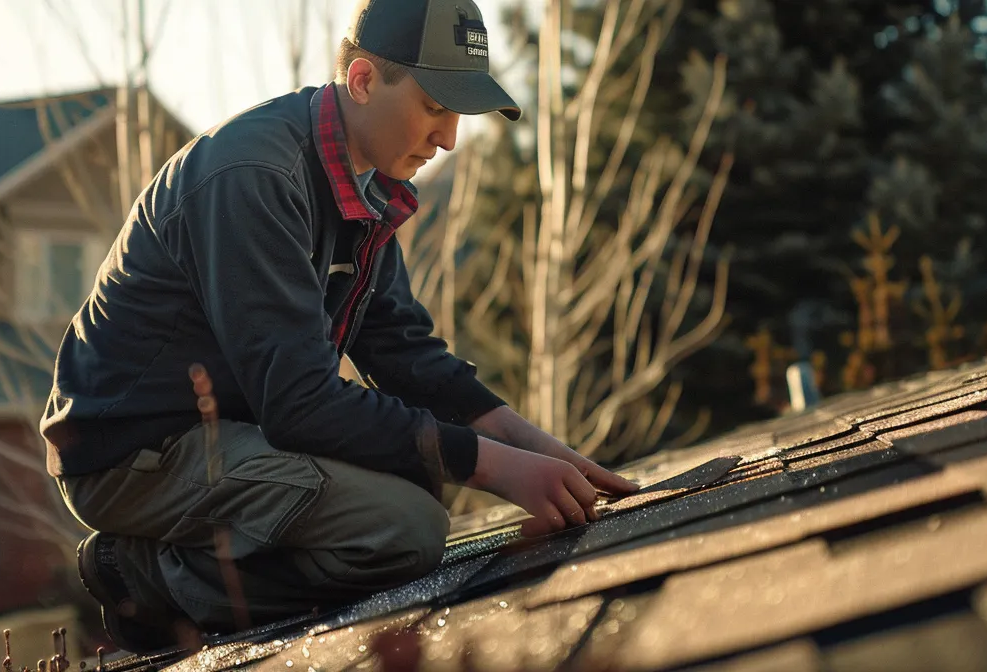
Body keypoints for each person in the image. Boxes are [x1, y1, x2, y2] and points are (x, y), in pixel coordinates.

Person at [38, 0, 639, 652]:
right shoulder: (257, 177)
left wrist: (537, 450)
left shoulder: (364, 184)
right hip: (133, 453)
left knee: (415, 474)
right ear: (361, 81)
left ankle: (193, 558)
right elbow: (300, 405)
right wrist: (494, 468)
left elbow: (404, 351)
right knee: (406, 529)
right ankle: (142, 577)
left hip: (229, 428)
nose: (450, 139)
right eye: (436, 108)